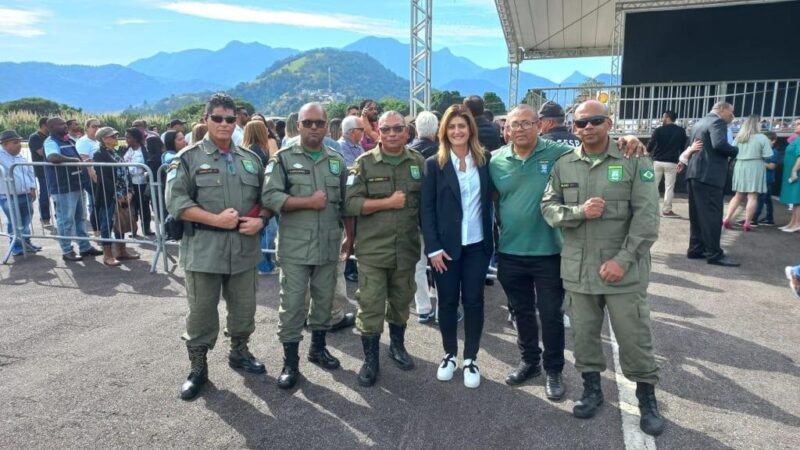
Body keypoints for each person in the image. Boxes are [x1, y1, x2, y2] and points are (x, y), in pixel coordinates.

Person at [541, 100, 665, 437]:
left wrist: (622, 261)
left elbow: (647, 219)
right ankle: (592, 390)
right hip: (579, 270)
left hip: (623, 271)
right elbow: (549, 209)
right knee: (583, 336)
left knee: (634, 337)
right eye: (581, 123)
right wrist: (579, 211)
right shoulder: (564, 164)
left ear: (609, 124)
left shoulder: (634, 158)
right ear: (574, 127)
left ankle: (646, 399)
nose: (587, 128)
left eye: (595, 121)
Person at [165, 93, 269, 401]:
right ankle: (198, 368)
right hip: (204, 249)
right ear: (206, 120)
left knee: (244, 308)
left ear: (237, 121)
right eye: (218, 118)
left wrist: (262, 220)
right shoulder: (188, 158)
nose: (224, 124)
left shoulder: (251, 160)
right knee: (201, 313)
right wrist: (215, 219)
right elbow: (177, 203)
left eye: (230, 119)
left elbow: (268, 198)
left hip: (243, 249)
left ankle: (239, 351)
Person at [262, 102, 352, 390]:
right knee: (291, 307)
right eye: (308, 122)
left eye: (319, 123)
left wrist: (350, 236)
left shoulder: (337, 160)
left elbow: (345, 203)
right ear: (298, 125)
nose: (314, 128)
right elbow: (270, 196)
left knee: (324, 302)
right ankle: (291, 363)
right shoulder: (284, 159)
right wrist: (307, 202)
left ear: (327, 127)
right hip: (295, 248)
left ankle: (318, 348)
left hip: (328, 245)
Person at [344, 110, 426, 387]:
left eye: (397, 129)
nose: (392, 134)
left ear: (406, 132)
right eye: (386, 129)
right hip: (373, 251)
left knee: (402, 303)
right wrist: (386, 203)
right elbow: (350, 203)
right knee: (371, 305)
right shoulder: (363, 164)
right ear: (377, 131)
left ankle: (397, 347)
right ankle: (370, 360)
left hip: (406, 249)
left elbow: (428, 206)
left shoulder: (418, 163)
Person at [421, 105, 494, 388]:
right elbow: (426, 210)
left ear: (470, 130)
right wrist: (433, 249)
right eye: (451, 127)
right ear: (444, 132)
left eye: (461, 126)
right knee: (448, 302)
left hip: (477, 245)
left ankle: (471, 358)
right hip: (445, 250)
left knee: (474, 301)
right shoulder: (434, 164)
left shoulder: (485, 160)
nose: (457, 131)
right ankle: (450, 354)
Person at [686, 102, 740, 266]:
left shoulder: (699, 123)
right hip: (709, 176)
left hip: (695, 174)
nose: (732, 117)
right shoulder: (717, 122)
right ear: (721, 109)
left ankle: (696, 249)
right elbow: (719, 145)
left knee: (697, 215)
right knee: (712, 215)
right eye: (731, 113)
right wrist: (735, 150)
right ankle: (714, 254)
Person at [43, 117, 103, 262]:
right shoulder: (51, 142)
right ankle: (67, 250)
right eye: (61, 124)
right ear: (51, 127)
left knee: (80, 219)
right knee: (66, 221)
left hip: (77, 185)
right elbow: (52, 157)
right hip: (63, 188)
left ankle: (85, 246)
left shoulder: (69, 140)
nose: (65, 126)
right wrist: (73, 161)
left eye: (65, 124)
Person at [91, 127, 140, 266]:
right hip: (109, 195)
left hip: (124, 193)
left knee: (121, 222)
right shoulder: (99, 154)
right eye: (112, 136)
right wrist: (116, 194)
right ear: (104, 139)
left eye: (116, 136)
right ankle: (108, 255)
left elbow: (125, 171)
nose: (116, 138)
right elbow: (104, 177)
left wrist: (129, 190)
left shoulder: (116, 152)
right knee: (107, 223)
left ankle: (122, 250)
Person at [409, 110, 440, 323]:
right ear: (437, 130)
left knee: (417, 265)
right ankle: (444, 304)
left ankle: (422, 307)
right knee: (443, 264)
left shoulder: (407, 154)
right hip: (440, 218)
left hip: (413, 217)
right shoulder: (445, 153)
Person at [722, 115, 773, 231]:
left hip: (740, 166)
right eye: (760, 122)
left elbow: (732, 151)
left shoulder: (739, 137)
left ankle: (727, 218)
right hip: (755, 166)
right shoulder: (762, 138)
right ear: (757, 123)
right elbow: (768, 156)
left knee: (738, 195)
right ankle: (747, 223)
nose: (761, 124)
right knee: (752, 196)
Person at [242, 120, 279, 276]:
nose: (266, 130)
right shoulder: (255, 151)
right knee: (269, 231)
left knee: (267, 231)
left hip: (258, 197)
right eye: (263, 128)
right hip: (259, 197)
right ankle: (264, 265)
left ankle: (264, 263)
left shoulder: (250, 149)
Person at [0, 130, 39, 256]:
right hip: (8, 196)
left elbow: (30, 173)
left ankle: (26, 243)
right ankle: (16, 246)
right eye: (15, 142)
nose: (19, 145)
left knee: (26, 221)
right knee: (15, 221)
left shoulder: (21, 156)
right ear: (5, 144)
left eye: (19, 142)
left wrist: (33, 188)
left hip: (25, 194)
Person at [647, 110, 688, 218]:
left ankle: (651, 209)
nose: (662, 119)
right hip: (672, 162)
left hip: (658, 161)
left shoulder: (659, 130)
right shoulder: (681, 131)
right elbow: (683, 147)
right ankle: (667, 210)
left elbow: (650, 145)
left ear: (668, 118)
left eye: (663, 117)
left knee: (653, 186)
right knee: (669, 187)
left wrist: (647, 152)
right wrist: (682, 161)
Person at [123, 128, 154, 237]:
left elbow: (145, 166)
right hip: (129, 184)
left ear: (136, 139)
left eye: (128, 137)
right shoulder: (127, 150)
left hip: (141, 183)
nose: (126, 139)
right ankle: (133, 229)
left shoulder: (144, 151)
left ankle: (146, 228)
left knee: (144, 206)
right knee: (132, 207)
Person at [75, 118, 101, 236]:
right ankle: (97, 231)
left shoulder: (97, 141)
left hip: (100, 176)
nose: (97, 129)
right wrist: (93, 176)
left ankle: (101, 230)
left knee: (100, 203)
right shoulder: (83, 141)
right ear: (87, 128)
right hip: (90, 176)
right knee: (96, 204)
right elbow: (85, 160)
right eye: (94, 126)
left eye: (98, 126)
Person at [28, 117, 52, 227]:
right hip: (42, 171)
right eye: (50, 124)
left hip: (53, 170)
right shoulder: (35, 137)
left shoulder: (51, 136)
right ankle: (45, 218)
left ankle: (57, 217)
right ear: (44, 125)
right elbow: (43, 153)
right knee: (45, 194)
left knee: (55, 194)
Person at [752, 132, 779, 226]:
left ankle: (753, 219)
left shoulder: (774, 152)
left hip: (767, 179)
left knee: (760, 199)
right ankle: (769, 219)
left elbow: (772, 166)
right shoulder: (764, 150)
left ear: (773, 141)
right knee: (767, 199)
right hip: (764, 179)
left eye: (766, 140)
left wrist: (759, 162)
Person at [779, 119, 800, 231]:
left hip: (797, 173)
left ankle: (797, 224)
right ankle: (792, 223)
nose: (796, 125)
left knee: (797, 199)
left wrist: (794, 171)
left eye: (799, 124)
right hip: (793, 172)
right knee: (795, 200)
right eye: (796, 123)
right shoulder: (797, 139)